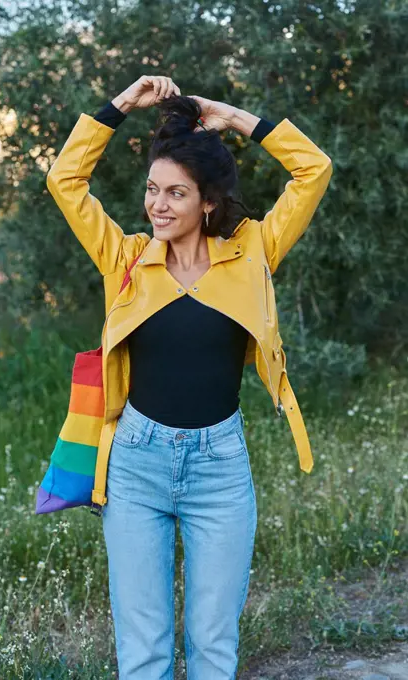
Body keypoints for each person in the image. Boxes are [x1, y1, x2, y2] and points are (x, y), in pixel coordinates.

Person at [46, 75, 332, 679]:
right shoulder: (124, 258)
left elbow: (313, 170)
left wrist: (230, 115)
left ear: (207, 202)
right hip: (135, 467)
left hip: (220, 470)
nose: (157, 205)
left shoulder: (253, 252)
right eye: (152, 190)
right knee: (143, 653)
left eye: (176, 193)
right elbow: (64, 181)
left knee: (213, 647)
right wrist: (120, 106)